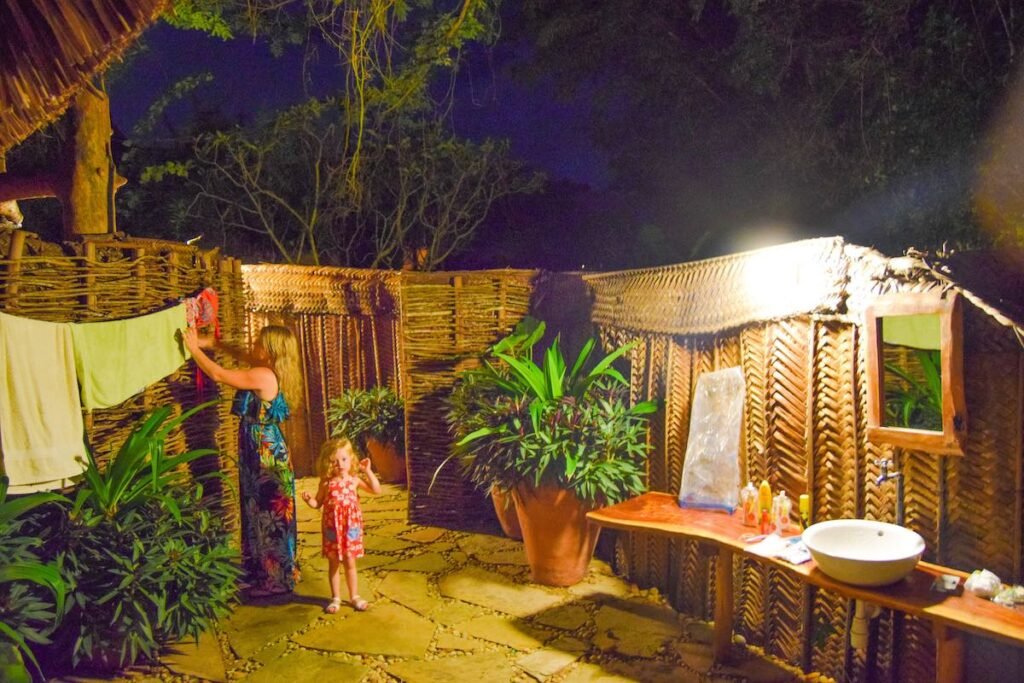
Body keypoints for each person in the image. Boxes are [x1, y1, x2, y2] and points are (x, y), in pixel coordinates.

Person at [183, 324, 303, 597]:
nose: (254, 345)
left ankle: (275, 581)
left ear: (270, 350)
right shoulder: (270, 370)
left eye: (260, 342)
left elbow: (217, 373)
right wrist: (206, 343)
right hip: (263, 449)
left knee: (268, 516)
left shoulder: (262, 374)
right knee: (258, 512)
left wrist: (192, 350)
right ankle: (266, 572)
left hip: (265, 455)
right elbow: (231, 352)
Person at [301, 437, 381, 613]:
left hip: (350, 529)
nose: (340, 464)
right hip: (332, 529)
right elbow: (318, 503)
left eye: (344, 459)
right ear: (328, 463)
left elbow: (376, 490)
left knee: (350, 562)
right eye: (334, 461)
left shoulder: (354, 480)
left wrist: (368, 471)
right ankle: (336, 598)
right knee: (334, 563)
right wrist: (309, 501)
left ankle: (354, 596)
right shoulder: (326, 483)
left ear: (351, 459)